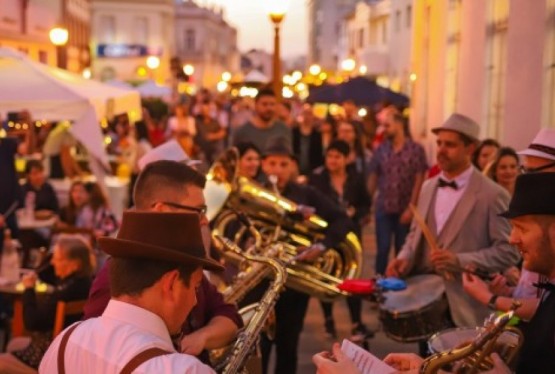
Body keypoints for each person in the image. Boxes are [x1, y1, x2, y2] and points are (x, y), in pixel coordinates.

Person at [82, 160, 242, 364]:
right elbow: (97, 354)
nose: (204, 220)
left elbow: (228, 313)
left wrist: (202, 338)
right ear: (161, 209)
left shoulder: (186, 264)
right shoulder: (115, 276)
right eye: (198, 210)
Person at [39, 212, 221, 373]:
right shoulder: (185, 370)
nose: (195, 301)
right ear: (171, 284)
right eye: (196, 287)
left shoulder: (65, 341)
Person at [386, 113, 520, 332]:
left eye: (450, 145)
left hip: (466, 307)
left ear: (470, 149)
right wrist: (403, 257)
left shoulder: (492, 194)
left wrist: (460, 260)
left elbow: (509, 251)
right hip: (424, 301)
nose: (441, 150)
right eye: (439, 143)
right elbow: (415, 234)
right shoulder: (428, 186)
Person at [259, 137, 354, 374]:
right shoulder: (254, 193)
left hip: (294, 286)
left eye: (283, 164)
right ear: (263, 165)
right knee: (258, 348)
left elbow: (342, 219)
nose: (277, 170)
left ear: (292, 166)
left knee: (288, 348)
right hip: (259, 283)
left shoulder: (306, 193)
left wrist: (321, 247)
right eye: (272, 164)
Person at [0, 235, 93, 373]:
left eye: (58, 258)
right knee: (14, 343)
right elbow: (45, 274)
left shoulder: (63, 292)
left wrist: (29, 289)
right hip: (68, 351)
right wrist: (54, 252)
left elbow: (31, 323)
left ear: (75, 264)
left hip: (48, 356)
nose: (53, 262)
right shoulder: (85, 282)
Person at [309, 140, 371, 340]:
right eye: (330, 156)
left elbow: (365, 204)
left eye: (337, 157)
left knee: (353, 278)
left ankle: (356, 322)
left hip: (351, 235)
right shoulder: (317, 178)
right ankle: (328, 320)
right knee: (327, 277)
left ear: (346, 159)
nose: (333, 161)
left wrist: (357, 212)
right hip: (327, 234)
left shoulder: (356, 178)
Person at [368, 113, 428, 275]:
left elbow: (420, 179)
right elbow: (374, 175)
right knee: (383, 248)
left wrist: (412, 207)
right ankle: (379, 283)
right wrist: (368, 204)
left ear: (400, 125)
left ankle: (399, 285)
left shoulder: (416, 149)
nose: (384, 129)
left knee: (402, 251)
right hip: (384, 207)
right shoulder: (381, 149)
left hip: (405, 208)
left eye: (388, 125)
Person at [292, 104, 323, 176]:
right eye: (305, 113)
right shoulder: (294, 132)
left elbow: (319, 153)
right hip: (296, 168)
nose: (307, 116)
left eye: (309, 114)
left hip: (312, 170)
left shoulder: (317, 134)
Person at [195, 99, 226, 165]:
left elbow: (222, 132)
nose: (205, 111)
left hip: (213, 151)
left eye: (207, 109)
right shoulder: (197, 121)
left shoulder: (215, 122)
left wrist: (213, 136)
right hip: (201, 151)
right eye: (203, 110)